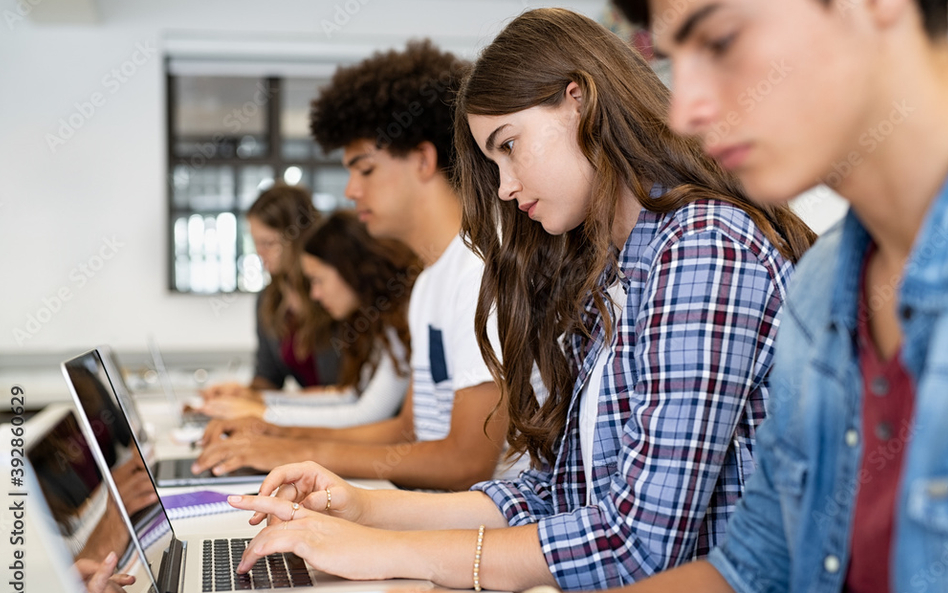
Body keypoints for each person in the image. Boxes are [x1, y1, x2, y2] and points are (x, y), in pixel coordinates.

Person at [221, 9, 816, 591]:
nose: (504, 187)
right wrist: (362, 509)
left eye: (509, 145)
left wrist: (384, 551)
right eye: (492, 161)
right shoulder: (608, 268)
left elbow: (636, 544)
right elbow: (554, 494)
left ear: (578, 102)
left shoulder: (701, 249)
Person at [544, 0, 948, 592]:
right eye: (677, 60)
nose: (686, 112)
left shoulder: (710, 241)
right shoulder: (822, 287)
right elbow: (755, 569)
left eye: (722, 41)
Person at [193, 40, 520, 491]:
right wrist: (280, 435)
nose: (350, 191)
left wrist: (295, 453)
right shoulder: (430, 283)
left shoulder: (480, 272)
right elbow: (408, 431)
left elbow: (466, 461)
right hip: (433, 513)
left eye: (364, 170)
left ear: (423, 160)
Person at [199, 210, 419, 428]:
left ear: (348, 269)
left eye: (318, 280)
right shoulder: (381, 320)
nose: (315, 294)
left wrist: (262, 413)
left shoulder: (402, 316)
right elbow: (349, 396)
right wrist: (258, 400)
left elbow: (368, 413)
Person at [201, 183, 338, 400]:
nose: (259, 253)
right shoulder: (268, 299)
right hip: (308, 419)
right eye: (256, 243)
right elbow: (269, 378)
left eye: (269, 243)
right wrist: (241, 393)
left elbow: (348, 393)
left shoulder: (335, 294)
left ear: (298, 238)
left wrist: (284, 402)